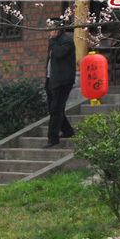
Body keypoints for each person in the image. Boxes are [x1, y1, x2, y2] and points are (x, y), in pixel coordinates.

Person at [44, 17, 77, 148]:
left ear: (57, 29)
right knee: (53, 109)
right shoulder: (54, 41)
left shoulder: (66, 41)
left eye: (50, 29)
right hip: (51, 79)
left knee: (56, 109)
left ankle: (53, 138)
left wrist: (52, 41)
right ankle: (68, 131)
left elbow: (59, 54)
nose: (48, 32)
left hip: (63, 81)